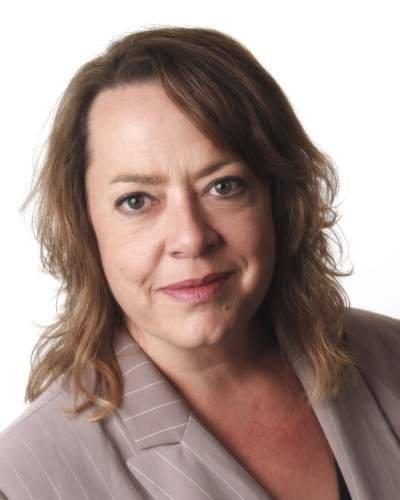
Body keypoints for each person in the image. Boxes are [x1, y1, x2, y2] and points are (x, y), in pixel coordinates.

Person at [0, 26, 399, 500]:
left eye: (223, 186)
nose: (190, 237)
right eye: (136, 200)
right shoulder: (23, 480)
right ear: (84, 228)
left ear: (279, 201)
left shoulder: (390, 354)